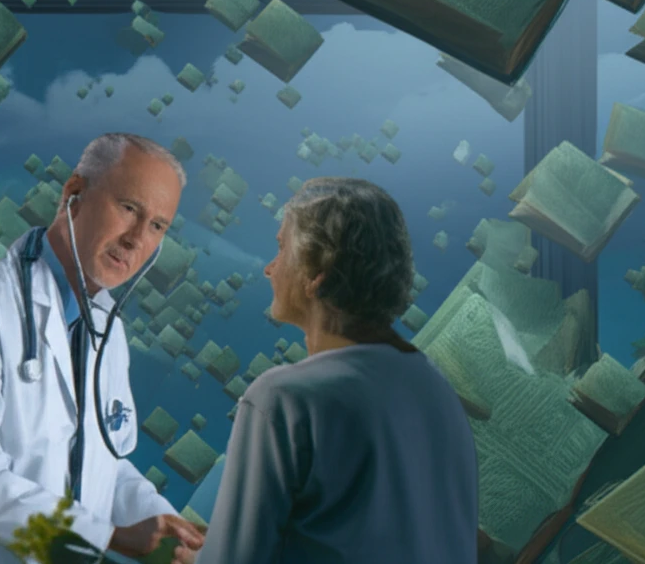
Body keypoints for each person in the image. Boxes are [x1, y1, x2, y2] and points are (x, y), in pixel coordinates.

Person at [0, 133, 205, 564]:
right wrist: (106, 538)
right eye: (128, 208)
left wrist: (167, 525)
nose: (137, 238)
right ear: (74, 194)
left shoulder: (107, 331)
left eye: (157, 226)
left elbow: (107, 464)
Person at [176, 177, 479, 564]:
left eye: (282, 248)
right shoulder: (438, 393)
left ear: (317, 271)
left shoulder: (284, 400)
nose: (270, 269)